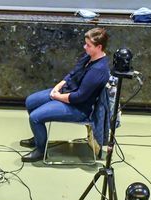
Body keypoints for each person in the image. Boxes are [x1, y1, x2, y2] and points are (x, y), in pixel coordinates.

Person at [19, 27, 110, 163]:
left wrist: (56, 97)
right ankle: (39, 137)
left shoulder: (98, 70)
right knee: (30, 102)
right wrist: (58, 87)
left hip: (78, 108)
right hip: (67, 92)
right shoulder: (89, 57)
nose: (85, 47)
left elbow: (78, 97)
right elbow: (72, 74)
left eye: (88, 45)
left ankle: (40, 150)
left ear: (99, 47)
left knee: (35, 118)